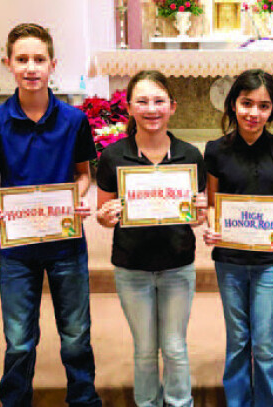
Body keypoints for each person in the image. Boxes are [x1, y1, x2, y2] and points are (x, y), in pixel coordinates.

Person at [0, 23, 101, 407]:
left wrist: (80, 198)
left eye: (39, 59)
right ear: (9, 64)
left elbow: (83, 176)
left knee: (77, 334)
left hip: (66, 244)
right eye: (23, 59)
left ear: (52, 64)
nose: (32, 67)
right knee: (18, 339)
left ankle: (83, 400)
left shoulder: (74, 121)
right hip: (16, 248)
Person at [96, 70, 207, 407]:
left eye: (159, 101)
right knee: (144, 350)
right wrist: (104, 217)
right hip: (132, 266)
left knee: (174, 346)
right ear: (129, 107)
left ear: (172, 106)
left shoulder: (190, 156)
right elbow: (104, 213)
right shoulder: (113, 157)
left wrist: (201, 213)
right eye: (142, 101)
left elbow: (196, 217)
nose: (151, 109)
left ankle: (179, 403)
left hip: (177, 265)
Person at [203, 69, 273, 407]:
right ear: (232, 104)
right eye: (246, 103)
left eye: (263, 106)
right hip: (229, 260)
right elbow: (213, 204)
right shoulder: (215, 150)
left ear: (272, 110)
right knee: (238, 339)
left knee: (265, 344)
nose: (253, 113)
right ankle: (238, 402)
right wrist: (211, 226)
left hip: (269, 262)